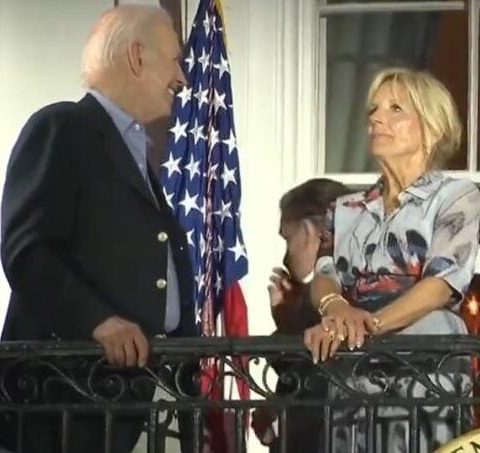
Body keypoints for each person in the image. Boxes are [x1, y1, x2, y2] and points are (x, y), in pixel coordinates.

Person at [0, 5, 196, 453]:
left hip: (139, 397)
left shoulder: (133, 147)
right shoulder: (63, 127)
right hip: (72, 405)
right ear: (137, 56)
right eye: (175, 60)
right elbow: (28, 249)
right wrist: (97, 320)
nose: (181, 78)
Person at [304, 67, 480, 451]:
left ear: (432, 128)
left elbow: (441, 284)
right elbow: (323, 272)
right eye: (373, 109)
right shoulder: (345, 208)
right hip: (353, 367)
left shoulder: (457, 197)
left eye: (395, 108)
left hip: (425, 364)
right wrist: (335, 307)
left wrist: (368, 327)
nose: (376, 118)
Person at [251, 178, 351, 451]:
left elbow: (317, 379)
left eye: (288, 239)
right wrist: (288, 324)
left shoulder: (346, 290)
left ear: (310, 231)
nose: (286, 256)